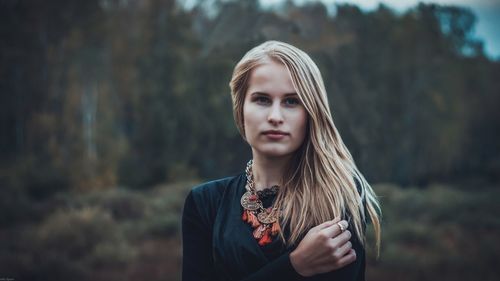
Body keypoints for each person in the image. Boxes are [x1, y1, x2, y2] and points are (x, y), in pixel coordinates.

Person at [182, 40, 381, 281]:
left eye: (291, 101)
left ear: (311, 112)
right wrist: (294, 266)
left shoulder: (338, 196)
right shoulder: (205, 203)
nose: (275, 116)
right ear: (241, 109)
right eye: (262, 99)